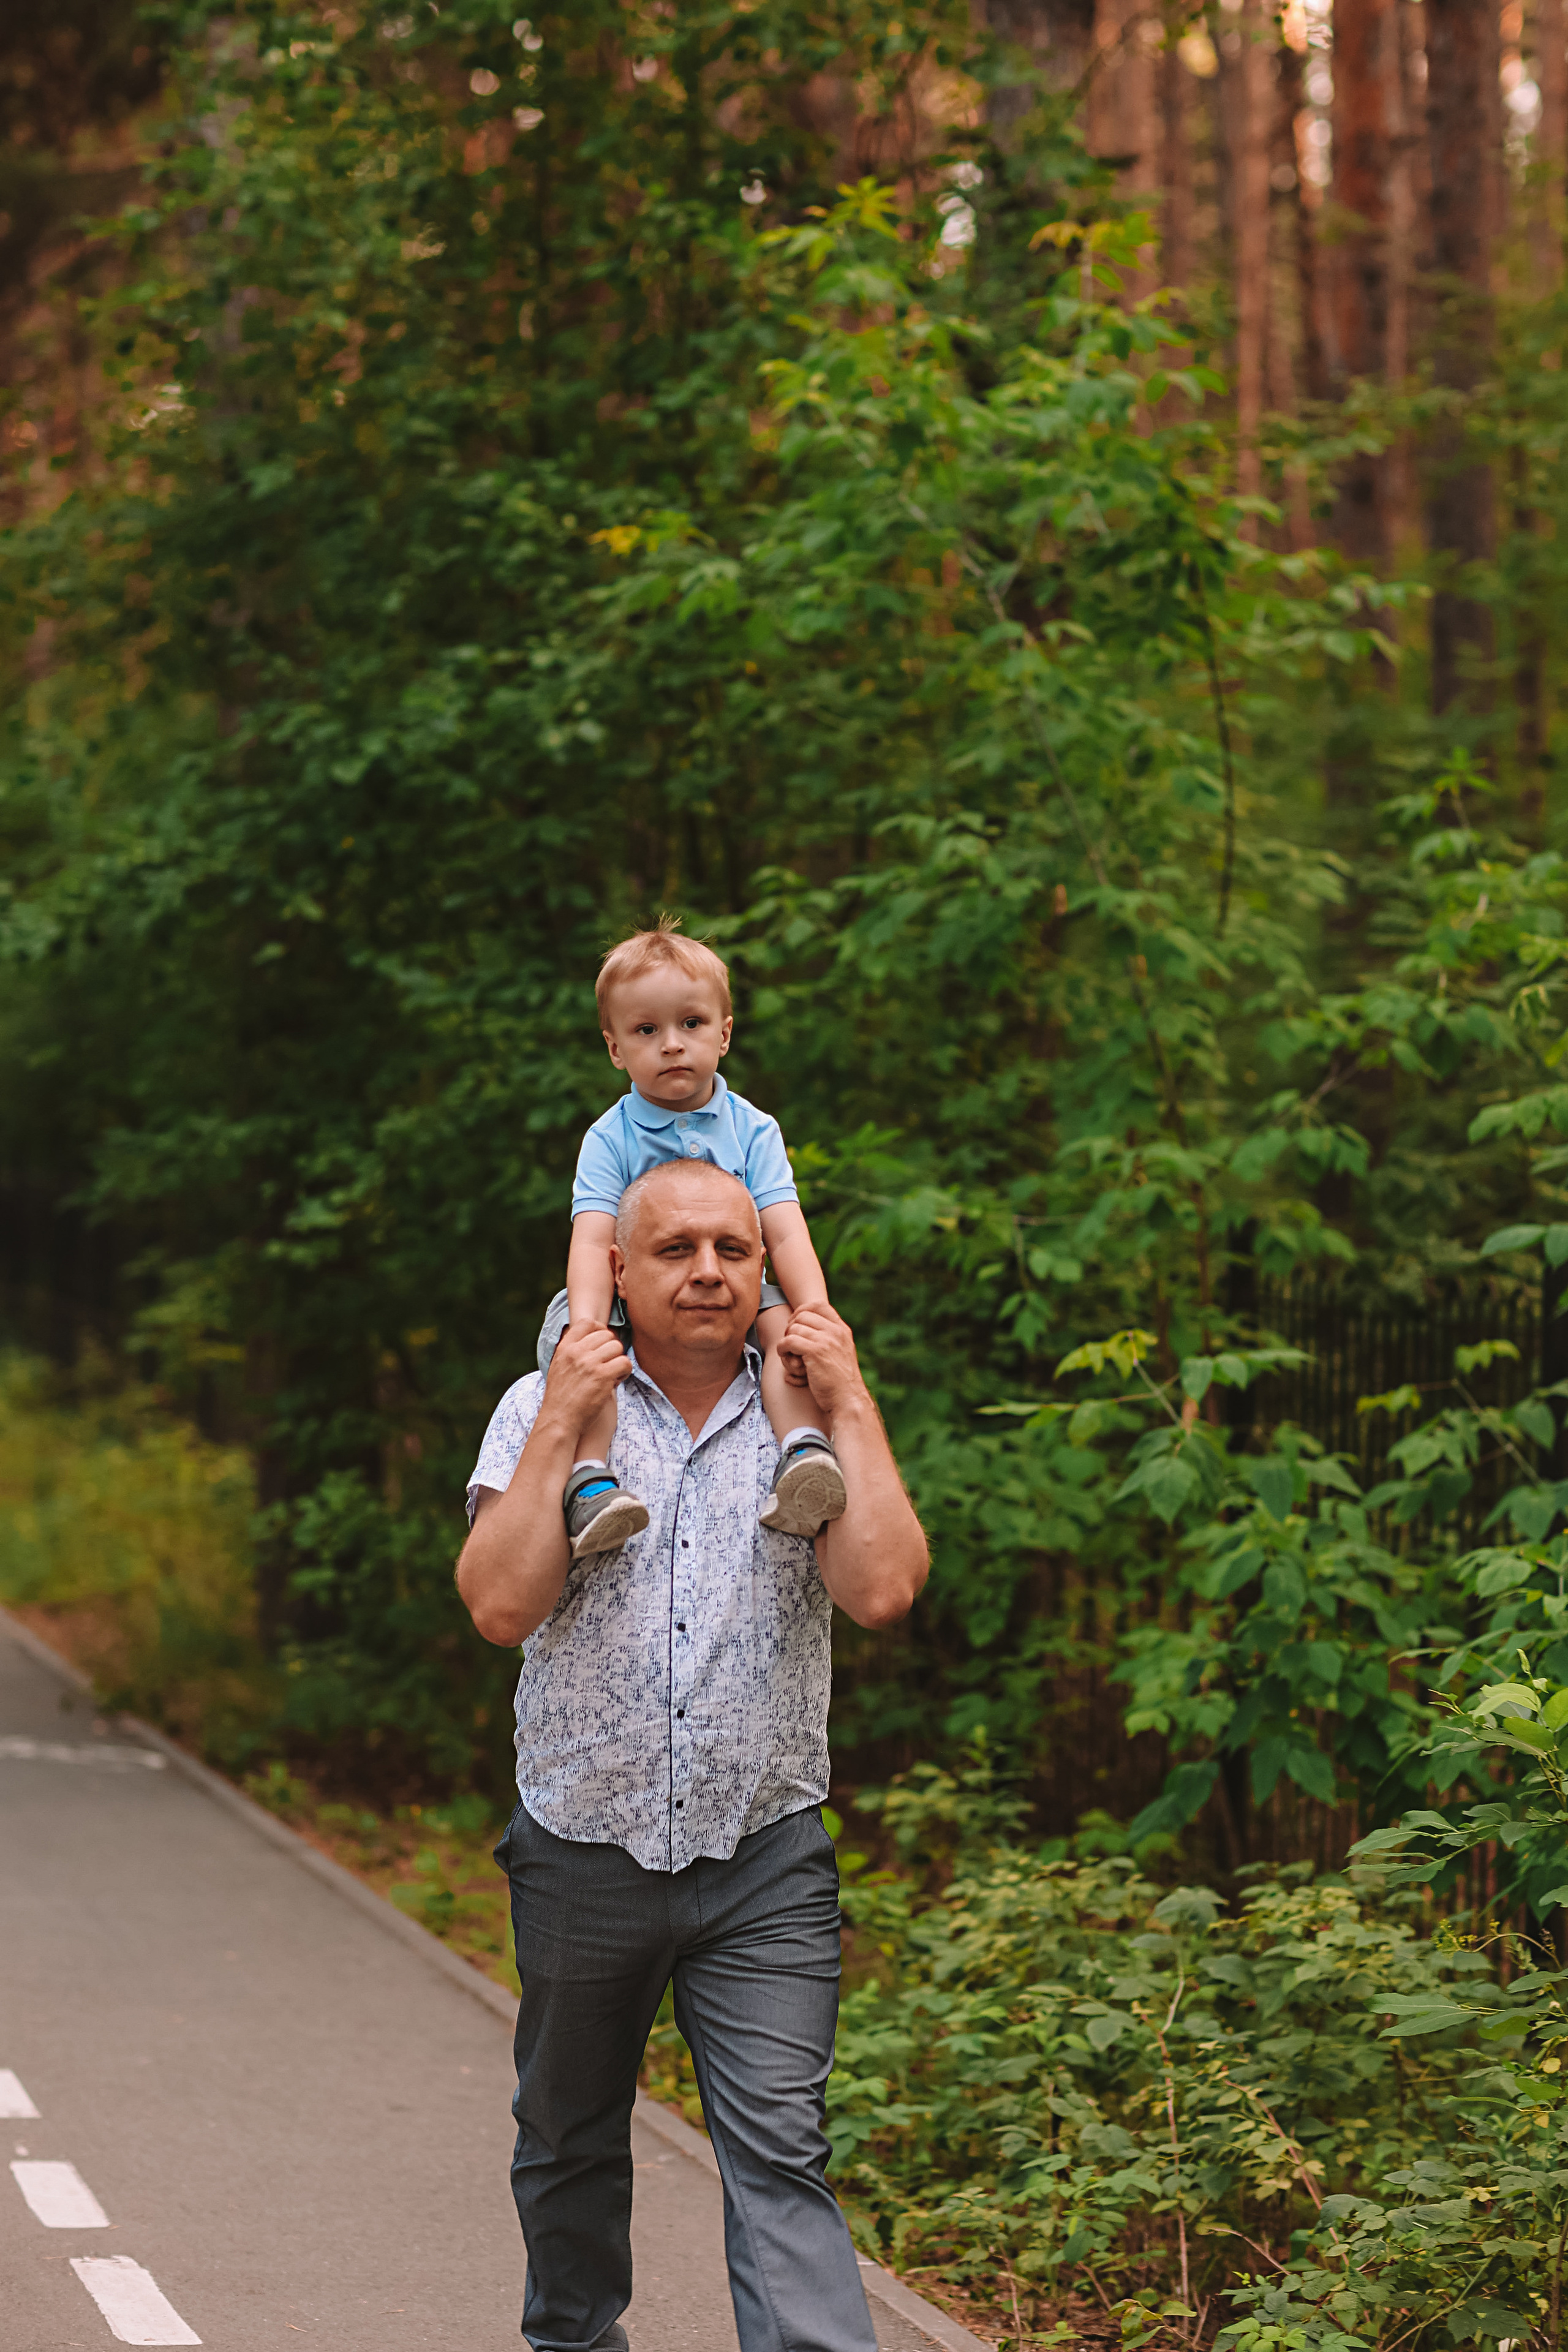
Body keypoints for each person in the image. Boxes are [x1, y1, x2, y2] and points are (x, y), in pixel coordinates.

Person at [456, 1156, 929, 2352]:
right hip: (582, 1849)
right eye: (675, 1249)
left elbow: (880, 1590)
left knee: (779, 2144)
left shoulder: (808, 1416)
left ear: (761, 1266)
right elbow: (500, 1608)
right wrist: (565, 1416)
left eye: (731, 1248)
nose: (708, 1270)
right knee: (567, 2137)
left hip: (762, 1858)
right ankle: (574, 2337)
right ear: (616, 1272)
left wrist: (852, 1399)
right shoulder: (538, 1407)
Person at [548, 916, 849, 1562]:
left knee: (786, 1335)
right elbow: (592, 1237)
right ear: (615, 1049)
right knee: (581, 1356)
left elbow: (785, 1229)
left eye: (691, 1024)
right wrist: (587, 1320)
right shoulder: (611, 1137)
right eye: (646, 1031)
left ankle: (803, 1454)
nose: (672, 1045)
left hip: (737, 1286)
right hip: (629, 1293)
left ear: (724, 1034)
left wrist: (814, 1307)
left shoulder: (753, 1129)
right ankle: (590, 1479)